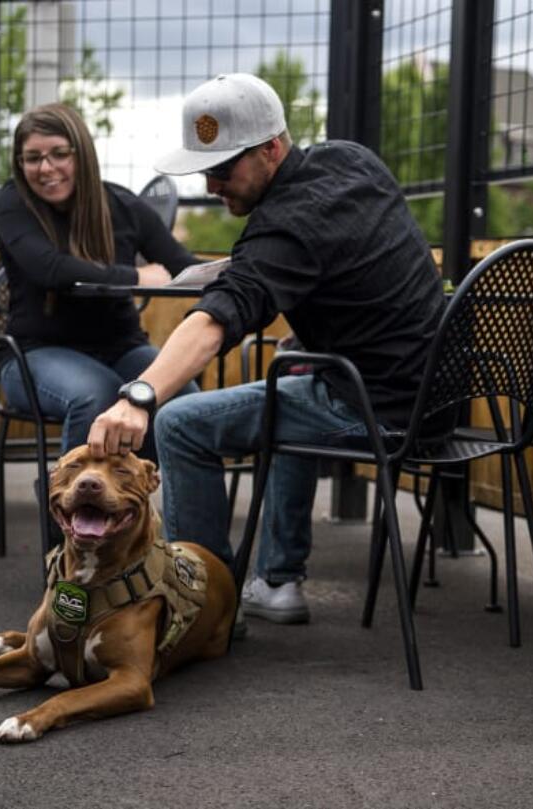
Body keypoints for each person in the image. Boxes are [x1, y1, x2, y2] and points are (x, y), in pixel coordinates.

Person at [87, 73, 444, 625]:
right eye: (205, 169)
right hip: (438, 395)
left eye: (224, 168)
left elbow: (213, 322)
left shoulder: (284, 228)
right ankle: (278, 581)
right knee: (292, 371)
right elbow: (353, 255)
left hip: (378, 410)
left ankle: (205, 608)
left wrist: (140, 395)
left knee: (180, 422)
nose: (211, 185)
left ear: (272, 148)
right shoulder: (351, 161)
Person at [0, 102, 200, 461]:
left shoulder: (123, 206)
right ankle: (72, 512)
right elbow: (51, 270)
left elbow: (184, 266)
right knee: (98, 392)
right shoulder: (14, 203)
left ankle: (132, 501)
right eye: (32, 158)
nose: (46, 168)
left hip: (121, 348)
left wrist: (241, 269)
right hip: (33, 354)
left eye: (59, 154)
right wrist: (135, 275)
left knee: (181, 398)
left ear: (82, 154)